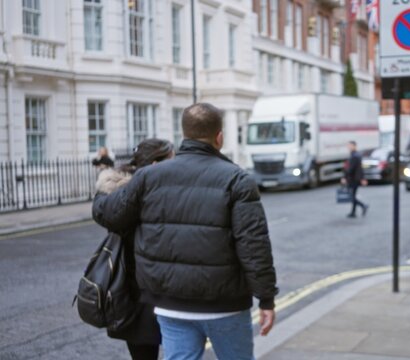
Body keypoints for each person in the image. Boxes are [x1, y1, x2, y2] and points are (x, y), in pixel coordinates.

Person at [92, 103, 278, 360]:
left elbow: (108, 213)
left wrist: (107, 182)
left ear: (184, 136)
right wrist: (266, 298)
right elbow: (253, 245)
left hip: (170, 304)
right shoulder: (237, 179)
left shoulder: (148, 177)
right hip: (226, 306)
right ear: (219, 137)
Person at [94, 139, 174, 360]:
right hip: (157, 289)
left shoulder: (119, 193)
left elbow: (102, 210)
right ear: (156, 164)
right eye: (171, 159)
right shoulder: (157, 192)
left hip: (129, 293)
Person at [342, 141, 369, 218]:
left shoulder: (354, 156)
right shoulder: (356, 155)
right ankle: (353, 212)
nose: (348, 147)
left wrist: (345, 177)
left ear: (354, 146)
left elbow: (350, 169)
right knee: (353, 195)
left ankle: (363, 205)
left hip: (353, 179)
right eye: (348, 145)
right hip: (355, 179)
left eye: (350, 145)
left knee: (352, 196)